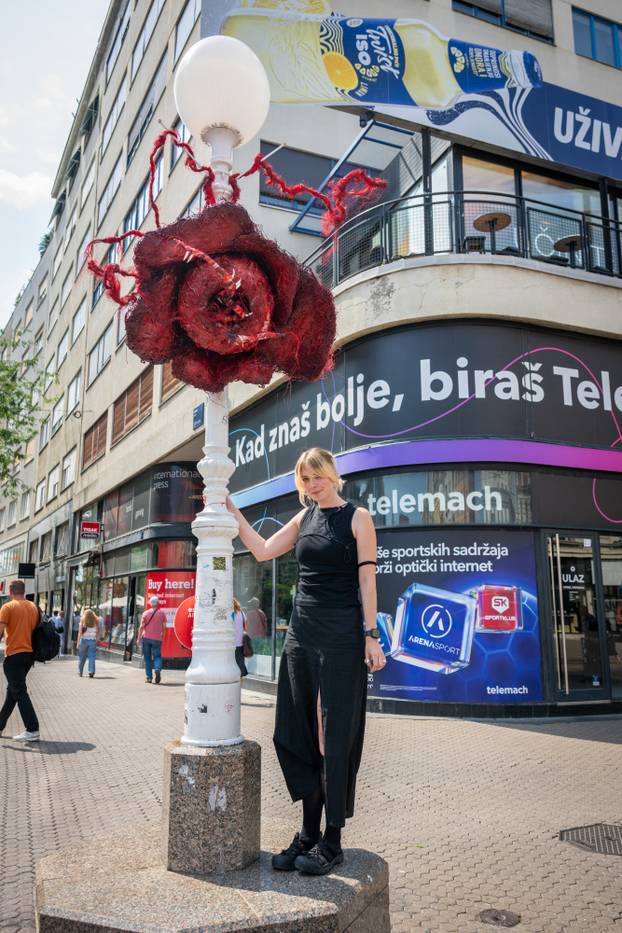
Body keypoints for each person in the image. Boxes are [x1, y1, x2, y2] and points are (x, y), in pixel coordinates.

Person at [227, 447, 384, 876]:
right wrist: (232, 510)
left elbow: (366, 579)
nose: (312, 484)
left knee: (332, 734)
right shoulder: (304, 518)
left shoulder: (358, 517)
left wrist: (371, 635)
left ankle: (332, 841)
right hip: (301, 633)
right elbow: (261, 550)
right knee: (293, 730)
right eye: (304, 478)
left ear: (332, 475)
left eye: (317, 476)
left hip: (341, 636)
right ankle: (308, 834)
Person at [0, 579, 40, 741]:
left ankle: (32, 728)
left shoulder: (7, 607)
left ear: (10, 592)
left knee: (19, 692)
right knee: (13, 692)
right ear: (23, 591)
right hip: (28, 655)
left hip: (14, 655)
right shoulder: (33, 607)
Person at [138, 596, 166, 684]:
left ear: (150, 603)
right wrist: (163, 636)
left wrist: (138, 638)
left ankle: (149, 678)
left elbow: (141, 627)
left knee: (147, 658)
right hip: (157, 639)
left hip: (146, 638)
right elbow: (165, 627)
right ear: (157, 603)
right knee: (157, 656)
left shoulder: (146, 613)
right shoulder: (162, 613)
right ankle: (157, 669)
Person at [76, 609, 99, 678]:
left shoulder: (82, 622)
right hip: (92, 641)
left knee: (82, 657)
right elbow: (97, 633)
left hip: (83, 641)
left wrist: (77, 643)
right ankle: (91, 671)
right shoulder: (96, 622)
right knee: (92, 657)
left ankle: (80, 671)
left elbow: (80, 633)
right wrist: (96, 641)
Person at [233, 597, 248, 678]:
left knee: (232, 666)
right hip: (241, 643)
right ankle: (239, 686)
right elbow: (246, 627)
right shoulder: (241, 613)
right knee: (240, 666)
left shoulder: (230, 614)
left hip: (232, 643)